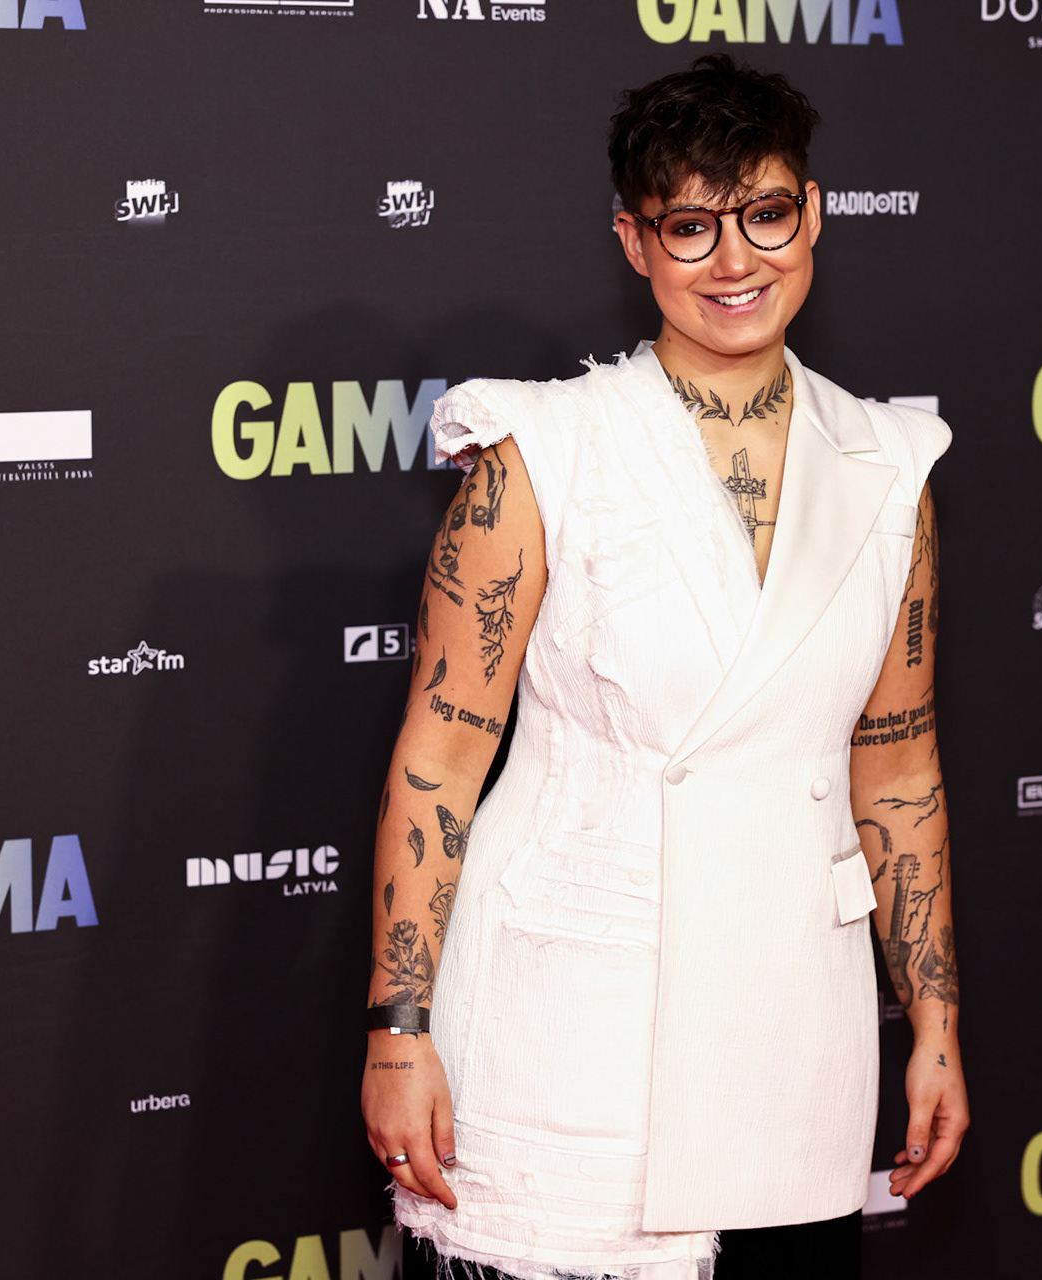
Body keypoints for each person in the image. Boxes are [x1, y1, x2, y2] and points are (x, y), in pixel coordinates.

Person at [359, 55, 968, 1280]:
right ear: (635, 241)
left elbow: (898, 763)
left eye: (766, 214)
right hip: (573, 1021)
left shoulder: (888, 463)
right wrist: (397, 1026)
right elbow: (440, 755)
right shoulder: (544, 450)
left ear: (813, 214)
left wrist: (938, 1022)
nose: (735, 259)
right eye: (691, 225)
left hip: (793, 1027)